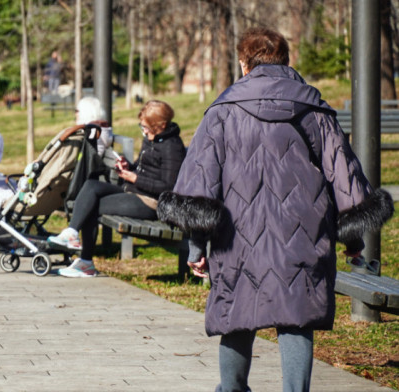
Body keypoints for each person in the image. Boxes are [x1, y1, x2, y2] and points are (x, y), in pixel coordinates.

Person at [156, 27, 394, 392]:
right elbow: (343, 175)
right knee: (296, 316)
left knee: (236, 315)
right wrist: (354, 240)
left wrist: (196, 246)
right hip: (302, 232)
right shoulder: (313, 108)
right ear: (285, 61)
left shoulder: (221, 111)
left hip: (236, 236)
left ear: (244, 64)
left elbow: (199, 184)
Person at [49, 100, 186, 277]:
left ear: (161, 125)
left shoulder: (172, 147)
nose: (144, 131)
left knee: (91, 205)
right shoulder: (151, 139)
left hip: (150, 202)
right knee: (91, 186)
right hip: (135, 191)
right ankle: (73, 234)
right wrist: (128, 167)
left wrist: (135, 178)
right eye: (142, 126)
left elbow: (168, 187)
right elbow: (142, 168)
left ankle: (85, 262)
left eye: (147, 127)